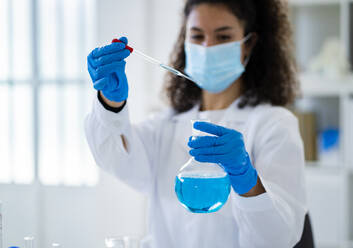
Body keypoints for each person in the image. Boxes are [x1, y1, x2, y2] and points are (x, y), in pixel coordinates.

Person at [85, 0, 310, 247]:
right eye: (197, 36)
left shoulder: (273, 124)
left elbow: (278, 239)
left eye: (223, 37)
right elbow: (115, 158)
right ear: (185, 41)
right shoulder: (167, 123)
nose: (207, 47)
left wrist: (247, 181)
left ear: (249, 44)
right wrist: (110, 103)